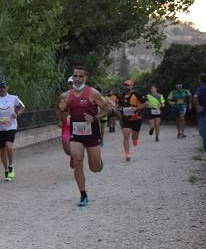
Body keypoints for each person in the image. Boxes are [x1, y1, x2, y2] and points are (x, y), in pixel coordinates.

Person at [57, 66, 113, 206]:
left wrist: (94, 118)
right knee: (77, 161)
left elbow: (107, 109)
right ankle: (83, 195)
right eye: (75, 76)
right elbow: (59, 109)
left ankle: (98, 163)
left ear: (85, 78)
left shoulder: (93, 93)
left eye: (80, 76)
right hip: (76, 133)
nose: (77, 79)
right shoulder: (66, 95)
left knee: (94, 168)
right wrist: (64, 114)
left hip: (92, 133)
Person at [0, 79, 26, 181]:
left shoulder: (14, 98)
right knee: (2, 150)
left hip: (11, 126)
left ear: (7, 88)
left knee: (8, 146)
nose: (2, 89)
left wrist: (17, 114)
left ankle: (11, 166)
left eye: (4, 87)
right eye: (0, 87)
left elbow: (22, 107)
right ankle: (6, 170)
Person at [116, 79, 146, 161]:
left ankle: (135, 140)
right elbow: (118, 106)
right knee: (126, 136)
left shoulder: (137, 94)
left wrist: (136, 108)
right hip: (125, 119)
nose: (126, 87)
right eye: (125, 85)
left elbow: (145, 103)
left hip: (136, 119)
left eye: (128, 85)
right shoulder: (120, 95)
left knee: (134, 137)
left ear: (132, 86)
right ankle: (127, 154)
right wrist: (119, 111)